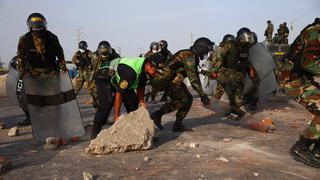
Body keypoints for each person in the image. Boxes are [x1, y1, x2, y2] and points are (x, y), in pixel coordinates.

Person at [280, 18, 320, 168]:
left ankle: (317, 149)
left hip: (304, 78)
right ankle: (300, 147)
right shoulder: (315, 31)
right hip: (292, 79)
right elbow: (308, 63)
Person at [150, 37, 212, 132]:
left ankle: (178, 125)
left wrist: (202, 94)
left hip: (174, 80)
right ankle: (157, 114)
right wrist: (202, 96)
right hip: (168, 80)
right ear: (201, 48)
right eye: (206, 50)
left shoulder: (192, 56)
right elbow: (193, 79)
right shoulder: (189, 56)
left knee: (188, 99)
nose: (206, 52)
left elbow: (195, 77)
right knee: (183, 100)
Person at [209, 28, 254, 119]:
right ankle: (213, 105)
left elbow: (245, 61)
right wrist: (214, 71)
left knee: (234, 93)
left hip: (238, 75)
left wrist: (250, 70)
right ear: (240, 37)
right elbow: (218, 58)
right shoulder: (229, 45)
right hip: (226, 73)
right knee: (232, 92)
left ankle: (235, 112)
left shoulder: (246, 48)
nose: (245, 42)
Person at [16, 13, 67, 79]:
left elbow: (60, 52)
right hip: (32, 72)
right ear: (31, 28)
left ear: (44, 27)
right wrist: (21, 70)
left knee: (54, 89)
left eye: (40, 28)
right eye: (35, 29)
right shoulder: (24, 39)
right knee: (32, 89)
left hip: (51, 72)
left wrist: (63, 66)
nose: (38, 31)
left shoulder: (52, 38)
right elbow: (20, 55)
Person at [90, 41, 120, 139]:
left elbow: (119, 68)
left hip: (113, 79)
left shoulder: (115, 56)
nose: (105, 56)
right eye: (103, 54)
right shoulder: (94, 57)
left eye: (106, 53)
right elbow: (94, 70)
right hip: (99, 78)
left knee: (112, 100)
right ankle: (97, 126)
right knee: (100, 102)